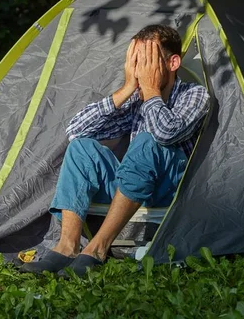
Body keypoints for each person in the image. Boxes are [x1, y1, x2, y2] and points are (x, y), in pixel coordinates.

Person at [21, 24, 210, 276]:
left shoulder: (194, 95)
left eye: (147, 61)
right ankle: (67, 246)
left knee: (147, 141)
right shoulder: (136, 98)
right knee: (81, 148)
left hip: (172, 188)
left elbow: (166, 133)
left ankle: (98, 248)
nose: (140, 70)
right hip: (134, 186)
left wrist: (151, 90)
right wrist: (128, 88)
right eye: (135, 62)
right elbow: (75, 130)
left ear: (172, 63)